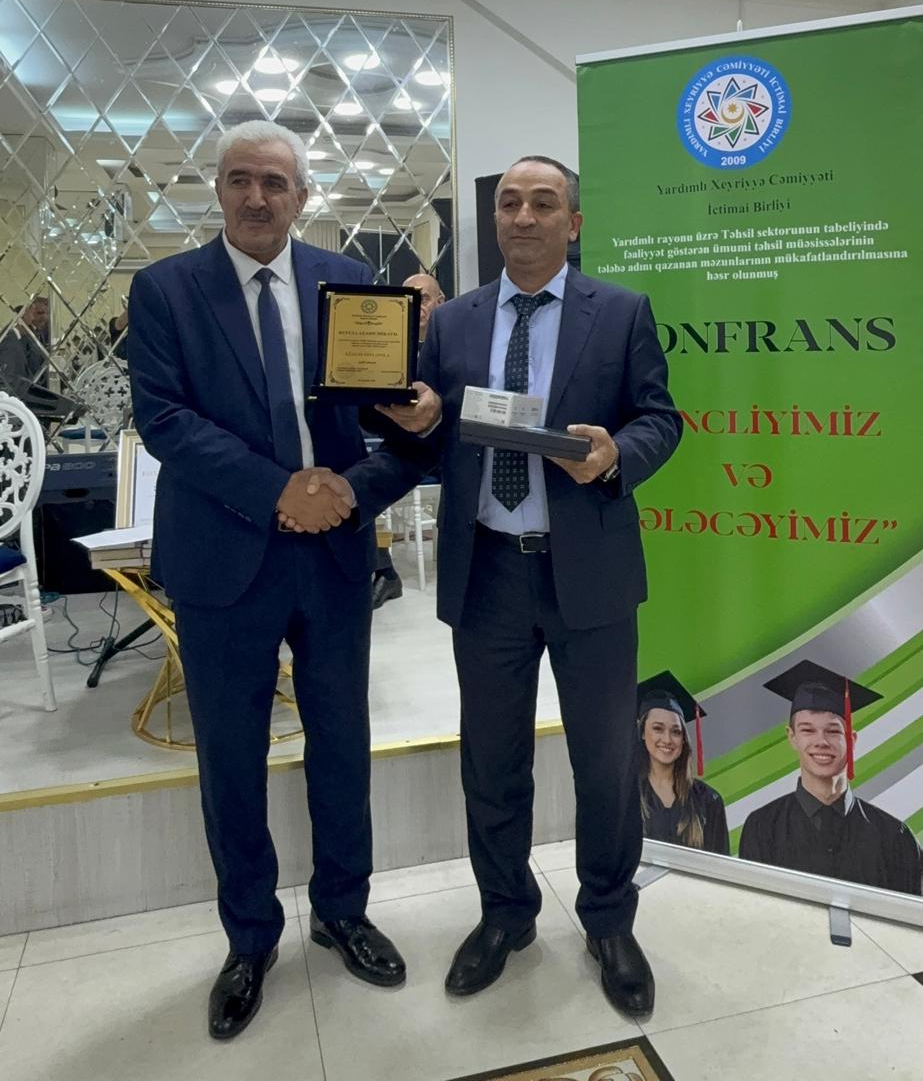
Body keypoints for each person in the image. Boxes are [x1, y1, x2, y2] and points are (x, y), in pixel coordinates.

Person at [128, 120, 432, 1042]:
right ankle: (249, 939)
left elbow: (388, 417)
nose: (256, 197)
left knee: (341, 743)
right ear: (217, 190)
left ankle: (343, 911)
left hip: (332, 554)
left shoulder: (349, 285)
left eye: (274, 182)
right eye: (239, 180)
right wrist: (277, 491)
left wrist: (391, 436)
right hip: (224, 556)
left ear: (302, 197)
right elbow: (165, 420)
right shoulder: (165, 289)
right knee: (230, 758)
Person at [376, 155, 682, 1015]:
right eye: (509, 202)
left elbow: (660, 419)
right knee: (492, 761)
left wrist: (617, 454)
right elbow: (426, 433)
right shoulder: (454, 323)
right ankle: (505, 914)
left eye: (543, 203)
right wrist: (413, 421)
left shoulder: (619, 312)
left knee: (604, 764)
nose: (522, 216)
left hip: (589, 574)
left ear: (572, 223)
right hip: (488, 575)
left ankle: (608, 920)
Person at [739, 659, 922, 895]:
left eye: (833, 731)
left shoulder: (895, 837)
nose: (821, 741)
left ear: (851, 740)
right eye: (808, 730)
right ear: (792, 737)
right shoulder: (763, 828)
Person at [372, 270, 445, 608]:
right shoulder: (391, 349)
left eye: (424, 298)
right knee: (353, 478)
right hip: (403, 445)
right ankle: (382, 568)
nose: (417, 306)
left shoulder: (455, 347)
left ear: (441, 302)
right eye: (410, 300)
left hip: (445, 450)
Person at [636, 671, 729, 854]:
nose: (667, 739)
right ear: (642, 733)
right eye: (658, 729)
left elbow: (721, 865)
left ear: (684, 739)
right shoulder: (627, 797)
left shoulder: (708, 801)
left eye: (676, 732)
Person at [0, 297, 77, 421]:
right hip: (18, 407)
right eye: (35, 313)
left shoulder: (25, 338)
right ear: (21, 316)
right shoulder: (10, 341)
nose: (34, 319)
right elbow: (11, 378)